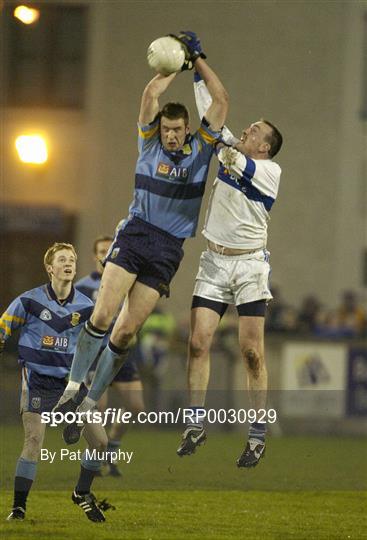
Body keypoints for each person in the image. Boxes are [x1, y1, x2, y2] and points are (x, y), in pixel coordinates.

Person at [52, 31, 229, 445]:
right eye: (166, 128)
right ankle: (72, 390)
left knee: (126, 332)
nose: (169, 134)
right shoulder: (147, 142)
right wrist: (172, 66)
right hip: (136, 234)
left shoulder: (201, 150)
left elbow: (220, 102)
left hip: (169, 248)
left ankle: (89, 405)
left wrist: (198, 59)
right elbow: (150, 94)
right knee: (101, 316)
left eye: (176, 129)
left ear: (187, 130)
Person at [176, 72, 283, 468]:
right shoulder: (230, 150)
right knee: (198, 342)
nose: (247, 129)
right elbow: (211, 109)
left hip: (250, 265)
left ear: (265, 146)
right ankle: (194, 423)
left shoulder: (270, 171)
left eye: (254, 130)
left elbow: (228, 144)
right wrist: (196, 67)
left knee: (252, 352)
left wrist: (222, 139)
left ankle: (256, 435)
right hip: (214, 262)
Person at [1, 243, 112, 523]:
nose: (69, 263)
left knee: (100, 442)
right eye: (62, 259)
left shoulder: (87, 307)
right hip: (37, 380)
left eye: (72, 259)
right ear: (50, 268)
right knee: (34, 439)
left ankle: (81, 493)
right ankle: (18, 507)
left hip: (70, 383)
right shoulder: (28, 302)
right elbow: (2, 330)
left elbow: (99, 344)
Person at [75, 235, 145, 477]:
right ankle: (93, 459)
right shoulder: (83, 287)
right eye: (102, 250)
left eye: (110, 250)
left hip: (121, 353)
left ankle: (111, 450)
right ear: (96, 255)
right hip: (96, 355)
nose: (106, 254)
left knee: (136, 406)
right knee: (98, 409)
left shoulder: (126, 282)